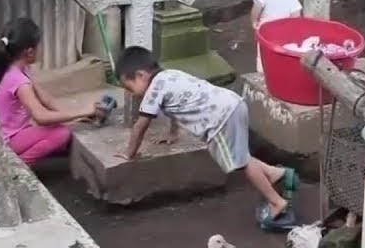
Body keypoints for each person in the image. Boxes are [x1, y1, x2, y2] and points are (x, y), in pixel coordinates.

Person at [114, 46, 299, 229]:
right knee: (240, 155)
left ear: (140, 75)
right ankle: (277, 174)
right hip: (233, 104)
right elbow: (175, 106)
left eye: (129, 87)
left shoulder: (153, 91)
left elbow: (141, 125)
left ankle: (276, 202)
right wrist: (173, 133)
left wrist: (130, 153)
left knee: (240, 164)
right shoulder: (170, 75)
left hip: (218, 121)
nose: (131, 93)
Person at [0, 17, 103, 166]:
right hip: (7, 141)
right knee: (61, 134)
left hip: (11, 133)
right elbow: (41, 116)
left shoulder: (18, 69)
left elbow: (46, 99)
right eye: (39, 45)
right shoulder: (18, 80)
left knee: (58, 127)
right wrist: (84, 110)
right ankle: (16, 167)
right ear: (29, 52)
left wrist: (71, 118)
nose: (41, 49)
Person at [251, 0, 304, 73]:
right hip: (284, 31)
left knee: (263, 54)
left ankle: (261, 71)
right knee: (283, 53)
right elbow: (296, 18)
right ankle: (282, 71)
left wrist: (254, 22)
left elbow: (256, 9)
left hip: (266, 30)